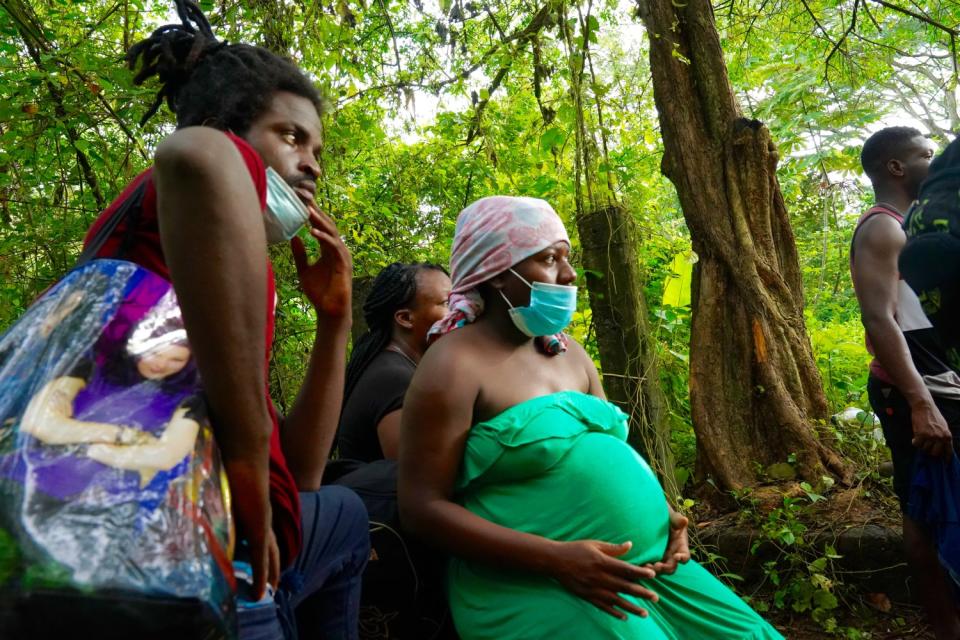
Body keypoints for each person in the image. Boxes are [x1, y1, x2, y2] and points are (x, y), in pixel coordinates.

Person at [83, 2, 368, 637]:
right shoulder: (210, 159)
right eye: (292, 136)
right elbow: (195, 156)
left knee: (343, 511)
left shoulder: (214, 275)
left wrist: (334, 322)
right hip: (201, 537)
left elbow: (305, 471)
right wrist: (244, 469)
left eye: (318, 148)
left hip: (238, 524)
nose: (314, 163)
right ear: (229, 128)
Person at [398, 195, 782, 639]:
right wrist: (556, 560)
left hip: (650, 565)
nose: (569, 273)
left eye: (567, 256)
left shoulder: (569, 352)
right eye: (548, 258)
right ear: (498, 272)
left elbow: (615, 452)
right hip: (539, 580)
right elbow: (421, 509)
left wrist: (667, 515)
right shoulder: (452, 364)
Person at [851, 126, 960, 639]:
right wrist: (920, 402)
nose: (933, 161)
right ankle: (943, 628)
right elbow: (880, 321)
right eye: (924, 153)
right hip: (914, 393)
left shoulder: (915, 226)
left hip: (940, 385)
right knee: (921, 509)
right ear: (896, 167)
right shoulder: (883, 229)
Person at [338, 262, 450, 462]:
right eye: (446, 303)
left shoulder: (393, 367)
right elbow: (415, 475)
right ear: (405, 318)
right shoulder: (394, 379)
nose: (460, 311)